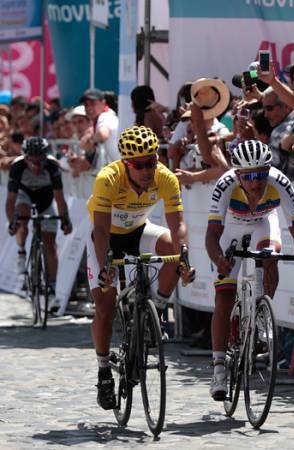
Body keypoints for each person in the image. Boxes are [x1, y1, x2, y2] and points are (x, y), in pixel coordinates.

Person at [86, 125, 196, 409]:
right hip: (108, 237)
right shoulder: (108, 179)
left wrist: (183, 258)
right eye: (140, 165)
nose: (148, 169)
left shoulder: (165, 178)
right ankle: (102, 371)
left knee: (174, 246)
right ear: (126, 164)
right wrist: (105, 266)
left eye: (152, 161)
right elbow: (99, 230)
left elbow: (178, 224)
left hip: (139, 230)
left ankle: (155, 310)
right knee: (105, 306)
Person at [205, 140, 294, 400]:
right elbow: (211, 235)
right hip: (231, 228)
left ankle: (262, 312)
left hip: (263, 223)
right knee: (224, 296)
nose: (256, 182)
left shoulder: (279, 182)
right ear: (238, 174)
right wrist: (218, 258)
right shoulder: (225, 185)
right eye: (250, 176)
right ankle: (219, 369)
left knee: (270, 254)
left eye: (261, 175)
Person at [6, 137, 73, 293]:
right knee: (22, 216)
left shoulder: (52, 166)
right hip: (25, 195)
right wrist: (12, 222)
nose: (37, 167)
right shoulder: (17, 166)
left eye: (40, 162)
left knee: (50, 243)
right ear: (26, 158)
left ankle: (52, 285)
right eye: (33, 163)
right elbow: (10, 201)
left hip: (45, 199)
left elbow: (59, 198)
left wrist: (65, 220)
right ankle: (21, 250)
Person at [79, 89, 120, 165]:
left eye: (93, 103)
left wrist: (90, 140)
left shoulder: (105, 116)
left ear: (103, 103)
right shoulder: (103, 117)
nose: (89, 108)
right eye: (86, 105)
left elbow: (102, 134)